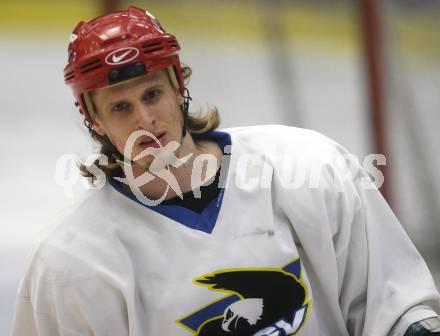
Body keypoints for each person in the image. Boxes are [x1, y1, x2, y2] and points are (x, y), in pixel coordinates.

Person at [11, 5, 440, 336]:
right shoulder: (71, 262)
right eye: (121, 107)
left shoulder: (308, 167)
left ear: (180, 85)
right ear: (95, 121)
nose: (145, 119)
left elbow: (395, 306)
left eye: (153, 93)